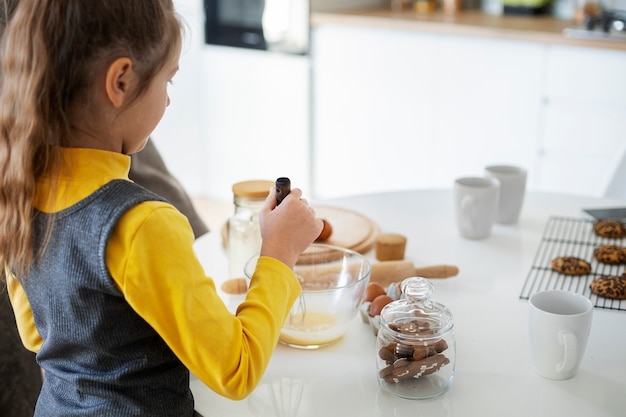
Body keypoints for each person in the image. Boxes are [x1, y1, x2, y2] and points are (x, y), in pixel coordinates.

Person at [0, 2, 322, 417]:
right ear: (120, 81)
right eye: (167, 80)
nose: (168, 102)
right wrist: (279, 252)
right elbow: (236, 371)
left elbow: (38, 337)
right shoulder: (143, 223)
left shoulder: (16, 193)